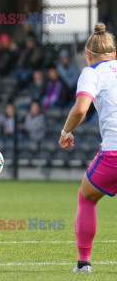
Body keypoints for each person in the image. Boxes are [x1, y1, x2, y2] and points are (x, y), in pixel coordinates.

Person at [59, 23, 117, 273]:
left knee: (87, 197)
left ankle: (84, 264)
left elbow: (82, 108)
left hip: (114, 154)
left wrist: (66, 132)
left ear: (89, 55)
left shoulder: (92, 71)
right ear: (114, 54)